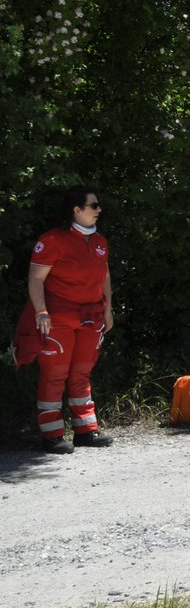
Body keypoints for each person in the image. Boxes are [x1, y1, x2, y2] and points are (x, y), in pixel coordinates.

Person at [11, 185, 115, 453]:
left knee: (82, 373)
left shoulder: (100, 241)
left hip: (91, 318)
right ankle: (52, 435)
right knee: (55, 374)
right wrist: (41, 312)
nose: (98, 210)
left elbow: (104, 276)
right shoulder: (53, 240)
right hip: (58, 318)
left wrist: (108, 309)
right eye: (94, 206)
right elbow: (35, 279)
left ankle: (86, 432)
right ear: (76, 210)